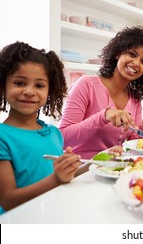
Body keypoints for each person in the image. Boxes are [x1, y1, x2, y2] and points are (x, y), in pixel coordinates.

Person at [0, 41, 82, 213]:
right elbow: (7, 200)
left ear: (49, 91)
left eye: (39, 85)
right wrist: (56, 179)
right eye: (20, 83)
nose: (30, 91)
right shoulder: (2, 137)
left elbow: (67, 176)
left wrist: (102, 160)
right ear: (3, 86)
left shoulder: (53, 133)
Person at [58, 26, 143, 159]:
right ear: (118, 53)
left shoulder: (134, 97)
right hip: (81, 170)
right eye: (132, 54)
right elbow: (62, 139)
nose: (136, 63)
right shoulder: (86, 85)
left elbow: (132, 139)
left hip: (112, 170)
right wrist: (103, 116)